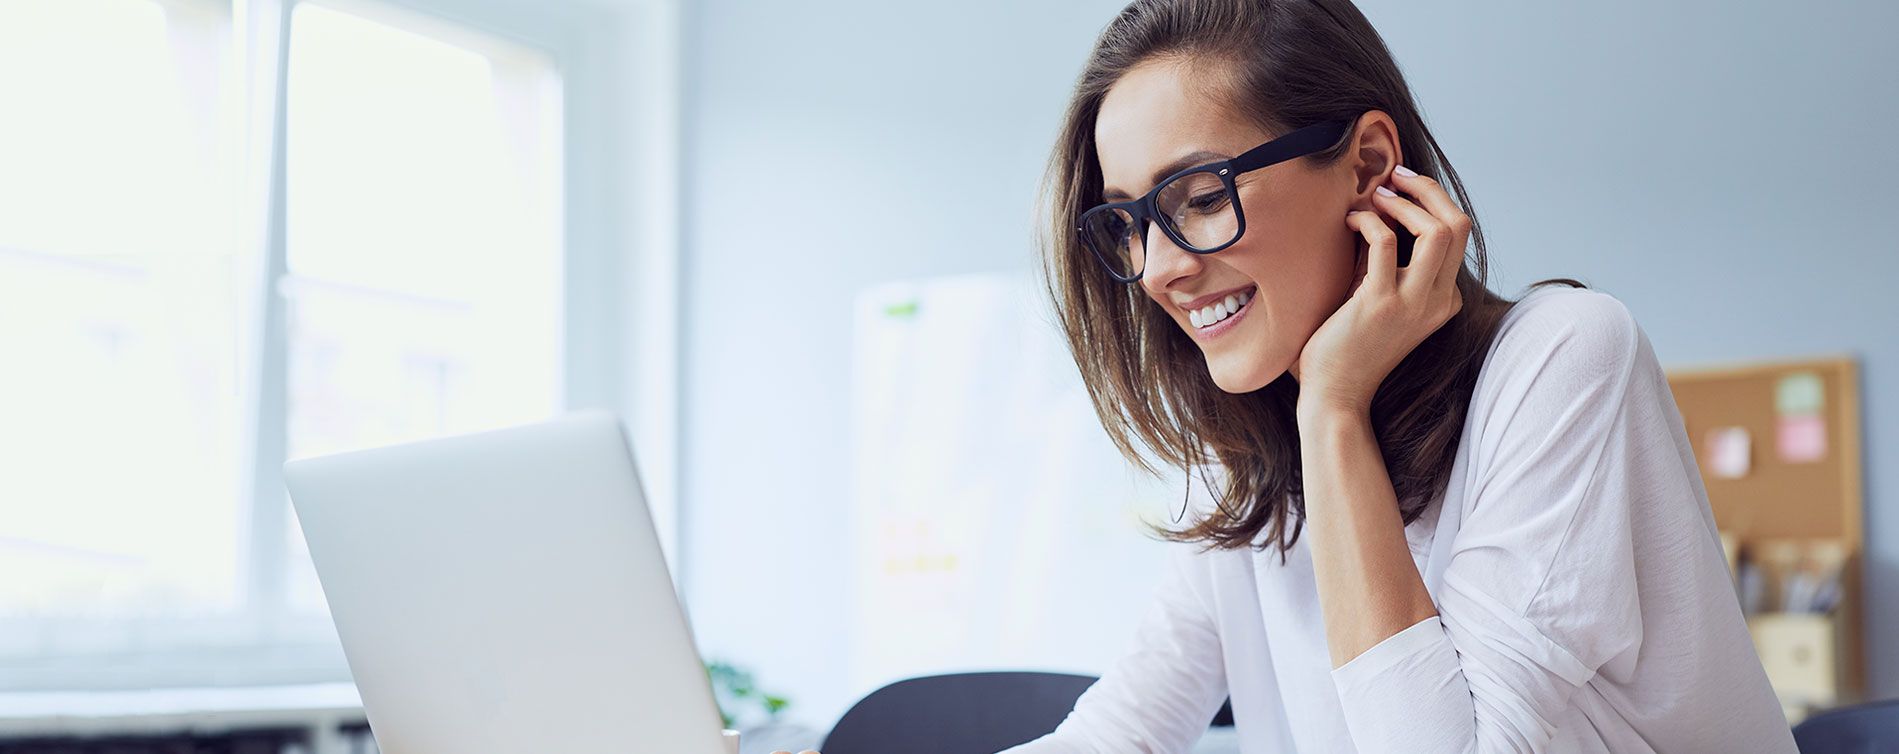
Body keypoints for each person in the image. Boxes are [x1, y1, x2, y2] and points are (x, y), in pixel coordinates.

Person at [781, 0, 1795, 751]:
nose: (1161, 266)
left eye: (1199, 193)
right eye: (1128, 222)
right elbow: (1122, 731)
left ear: (1366, 166)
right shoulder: (1259, 472)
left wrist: (1335, 406)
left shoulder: (1568, 355)